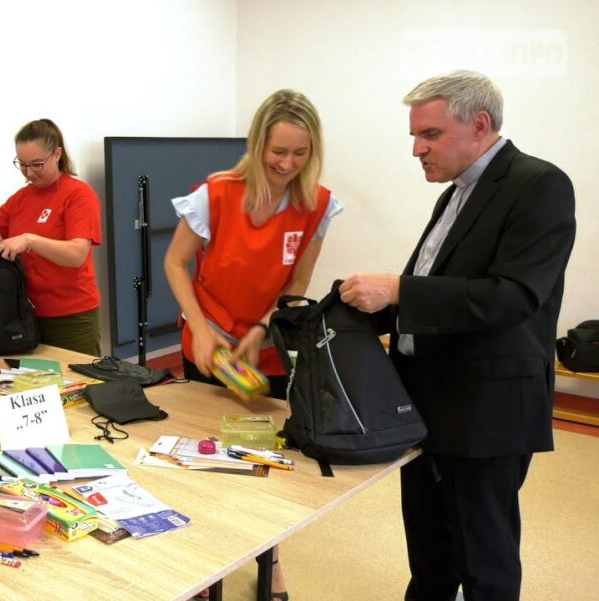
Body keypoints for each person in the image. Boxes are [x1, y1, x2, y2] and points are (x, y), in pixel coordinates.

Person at [340, 71, 575, 600]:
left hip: (485, 409)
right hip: (425, 402)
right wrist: (355, 306)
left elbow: (512, 296)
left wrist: (397, 290)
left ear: (480, 124)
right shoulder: (455, 195)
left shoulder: (539, 185)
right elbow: (437, 291)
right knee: (430, 554)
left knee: (484, 561)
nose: (417, 150)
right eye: (414, 137)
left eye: (429, 135)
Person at [164, 89, 343, 601]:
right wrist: (200, 329)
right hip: (209, 339)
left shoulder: (318, 205)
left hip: (270, 343)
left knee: (265, 457)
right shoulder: (215, 193)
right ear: (258, 143)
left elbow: (296, 288)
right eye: (278, 151)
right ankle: (207, 563)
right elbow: (175, 264)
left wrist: (263, 328)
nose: (287, 164)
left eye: (300, 153)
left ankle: (273, 561)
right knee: (208, 453)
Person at [0, 119, 103, 357]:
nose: (29, 172)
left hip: (71, 316)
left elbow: (76, 255)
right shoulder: (21, 198)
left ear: (57, 154)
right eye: (22, 164)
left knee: (80, 384)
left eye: (37, 164)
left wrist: (30, 240)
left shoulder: (78, 195)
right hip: (26, 314)